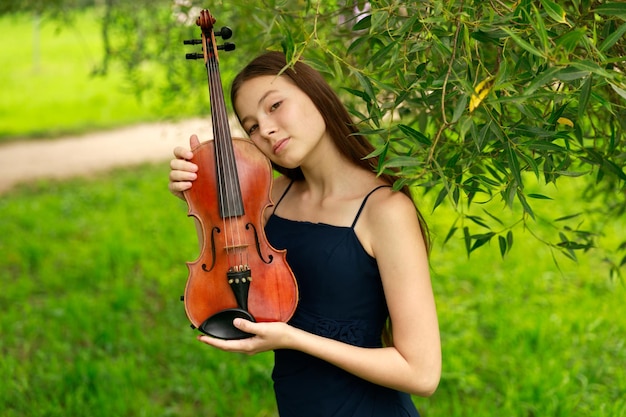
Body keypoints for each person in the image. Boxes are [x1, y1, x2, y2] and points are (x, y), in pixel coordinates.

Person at [168, 51, 441, 417]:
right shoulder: (272, 198)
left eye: (275, 105)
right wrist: (196, 190)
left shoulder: (386, 210)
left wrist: (293, 339)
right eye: (250, 126)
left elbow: (422, 374)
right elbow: (224, 272)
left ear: (315, 93)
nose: (264, 129)